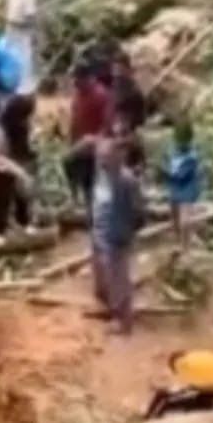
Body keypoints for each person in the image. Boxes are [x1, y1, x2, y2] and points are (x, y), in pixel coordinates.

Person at [91, 137, 145, 335]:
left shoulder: (125, 181)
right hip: (108, 233)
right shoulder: (108, 177)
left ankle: (123, 321)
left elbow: (138, 211)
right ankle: (118, 315)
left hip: (119, 234)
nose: (102, 161)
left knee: (119, 278)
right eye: (100, 157)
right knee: (114, 277)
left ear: (118, 157)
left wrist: (128, 230)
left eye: (105, 157)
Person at [64, 64, 113, 216]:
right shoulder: (78, 94)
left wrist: (95, 140)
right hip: (78, 147)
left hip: (93, 149)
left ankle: (96, 218)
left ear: (86, 78)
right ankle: (83, 211)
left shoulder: (101, 95)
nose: (74, 83)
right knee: (76, 177)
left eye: (77, 80)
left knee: (92, 186)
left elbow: (107, 124)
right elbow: (74, 119)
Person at [0, 96, 37, 236]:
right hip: (0, 166)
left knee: (23, 194)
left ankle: (24, 222)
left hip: (17, 163)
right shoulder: (0, 130)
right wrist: (18, 171)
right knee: (1, 198)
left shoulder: (24, 127)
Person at [162, 119, 204, 251]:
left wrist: (166, 171)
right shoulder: (173, 150)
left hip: (187, 188)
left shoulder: (192, 156)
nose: (180, 143)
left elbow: (181, 174)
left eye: (182, 139)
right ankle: (177, 240)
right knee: (174, 216)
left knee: (184, 220)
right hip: (175, 187)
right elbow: (169, 164)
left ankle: (185, 246)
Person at [1, 0, 39, 97]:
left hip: (22, 39)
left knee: (23, 71)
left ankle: (23, 98)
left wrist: (9, 21)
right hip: (10, 36)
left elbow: (30, 22)